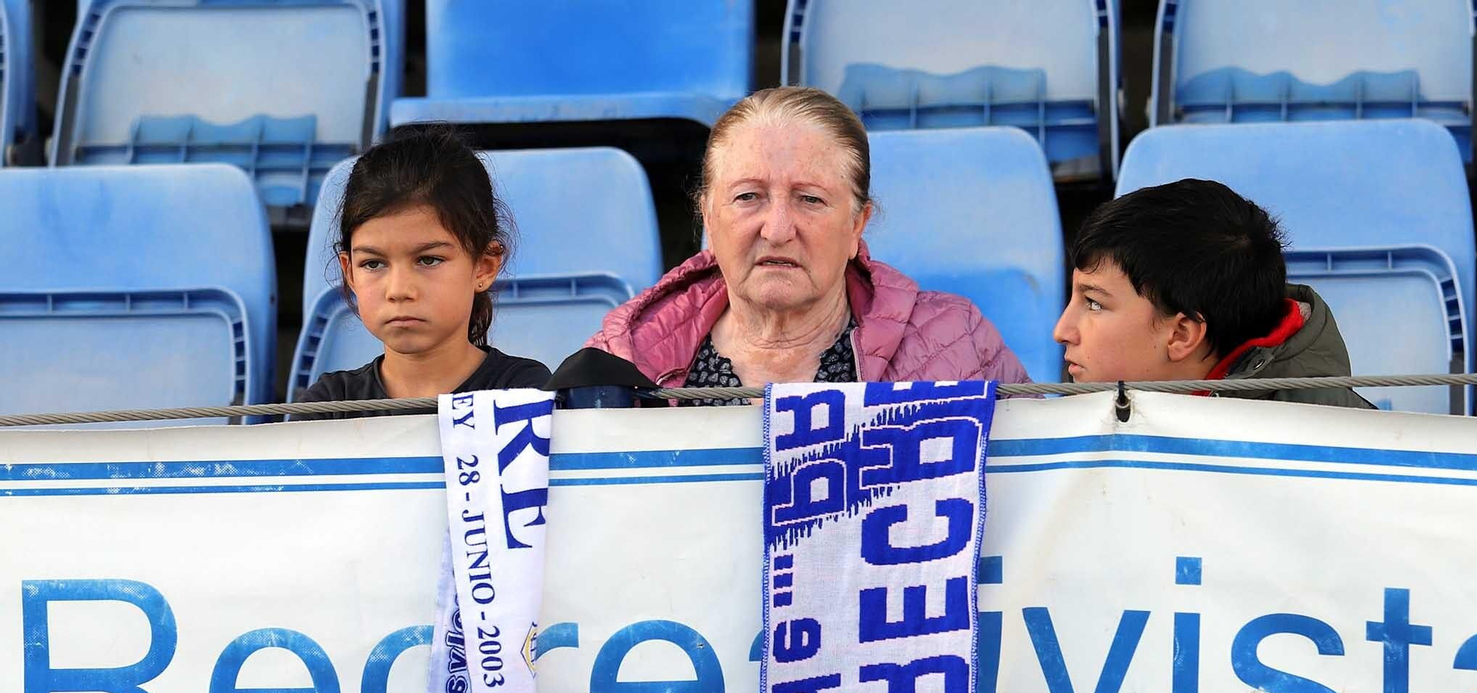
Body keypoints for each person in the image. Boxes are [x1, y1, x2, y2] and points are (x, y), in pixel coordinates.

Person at [583, 87, 1028, 402]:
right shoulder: (620, 360)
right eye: (748, 196)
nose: (777, 230)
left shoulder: (959, 345)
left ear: (856, 226)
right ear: (709, 218)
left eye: (810, 199)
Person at [295, 125, 551, 418]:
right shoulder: (328, 407)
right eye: (373, 264)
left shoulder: (521, 392)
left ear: (484, 265)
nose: (399, 290)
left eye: (428, 260)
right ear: (350, 272)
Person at [1055, 179, 1373, 409]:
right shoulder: (1087, 401)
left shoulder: (1342, 449)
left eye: (1094, 304)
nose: (1061, 332)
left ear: (1181, 334)